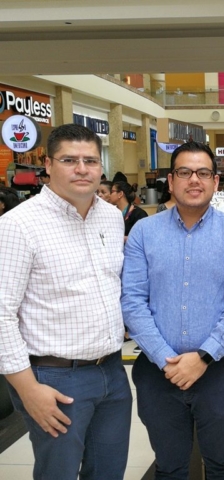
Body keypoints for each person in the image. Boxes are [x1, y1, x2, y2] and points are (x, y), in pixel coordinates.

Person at [121, 141, 224, 480]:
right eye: (184, 172)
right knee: (170, 467)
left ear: (215, 181)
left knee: (223, 464)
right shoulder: (144, 232)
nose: (194, 179)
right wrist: (165, 359)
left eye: (203, 173)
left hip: (219, 372)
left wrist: (203, 357)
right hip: (159, 373)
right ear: (171, 181)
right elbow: (132, 301)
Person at [0, 123, 132, 479]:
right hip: (54, 377)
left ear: (101, 166)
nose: (82, 169)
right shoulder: (18, 225)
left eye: (90, 160)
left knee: (109, 472)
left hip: (112, 371)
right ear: (48, 164)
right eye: (69, 160)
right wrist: (27, 389)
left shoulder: (110, 217)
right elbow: (1, 315)